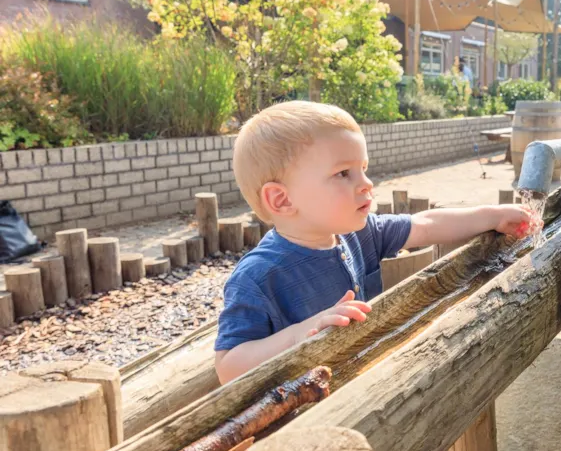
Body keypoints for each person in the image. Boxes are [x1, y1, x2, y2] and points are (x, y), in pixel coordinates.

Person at [214, 101, 538, 383]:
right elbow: (228, 366)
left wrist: (493, 216)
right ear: (282, 200)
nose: (367, 183)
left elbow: (425, 225)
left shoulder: (358, 234)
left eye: (363, 169)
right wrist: (301, 334)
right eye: (344, 173)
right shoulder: (258, 276)